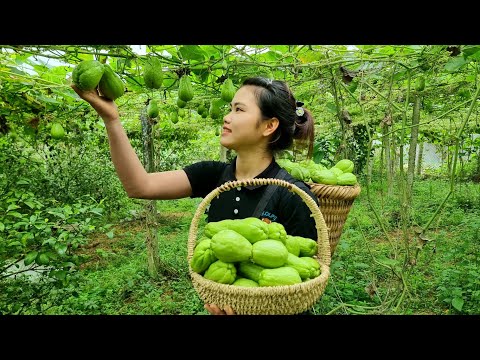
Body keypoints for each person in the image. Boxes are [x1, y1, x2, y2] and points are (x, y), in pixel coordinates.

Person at [71, 76, 320, 315]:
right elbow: (140, 185)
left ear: (269, 126)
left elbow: (302, 282)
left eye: (239, 110)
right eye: (230, 108)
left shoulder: (294, 194)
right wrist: (112, 119)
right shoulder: (212, 175)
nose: (226, 117)